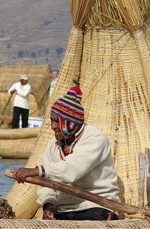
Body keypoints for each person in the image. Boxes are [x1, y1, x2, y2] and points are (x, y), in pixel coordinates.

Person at [12, 80, 120, 221]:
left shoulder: (95, 138)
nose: (53, 126)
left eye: (57, 121)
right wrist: (49, 205)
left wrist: (37, 171)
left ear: (70, 122)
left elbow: (72, 170)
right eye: (52, 121)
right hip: (64, 210)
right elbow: (48, 184)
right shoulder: (53, 145)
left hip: (97, 207)